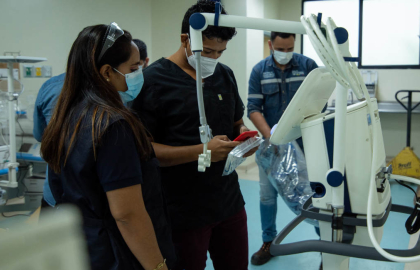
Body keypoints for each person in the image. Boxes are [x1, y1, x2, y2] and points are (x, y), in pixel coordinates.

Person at [40, 23, 175, 270]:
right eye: (133, 68)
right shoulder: (113, 126)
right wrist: (157, 265)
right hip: (119, 252)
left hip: (87, 247)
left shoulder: (68, 114)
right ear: (106, 72)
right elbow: (127, 214)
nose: (138, 74)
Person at [132, 1, 256, 269]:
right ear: (185, 39)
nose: (212, 59)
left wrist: (244, 137)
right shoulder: (153, 82)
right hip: (181, 210)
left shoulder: (224, 75)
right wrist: (202, 151)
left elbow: (237, 123)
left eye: (220, 52)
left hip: (228, 202)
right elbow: (145, 151)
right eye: (208, 50)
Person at [247, 31, 319, 266]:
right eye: (281, 48)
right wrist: (273, 137)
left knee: (313, 196)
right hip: (272, 146)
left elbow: (319, 103)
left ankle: (325, 245)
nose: (285, 53)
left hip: (306, 145)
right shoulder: (260, 70)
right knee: (267, 196)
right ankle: (269, 242)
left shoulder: (308, 66)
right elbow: (253, 108)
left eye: (290, 49)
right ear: (270, 44)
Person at [34, 73, 65, 208]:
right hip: (94, 204)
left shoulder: (52, 86)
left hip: (54, 193)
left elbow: (40, 134)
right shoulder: (113, 90)